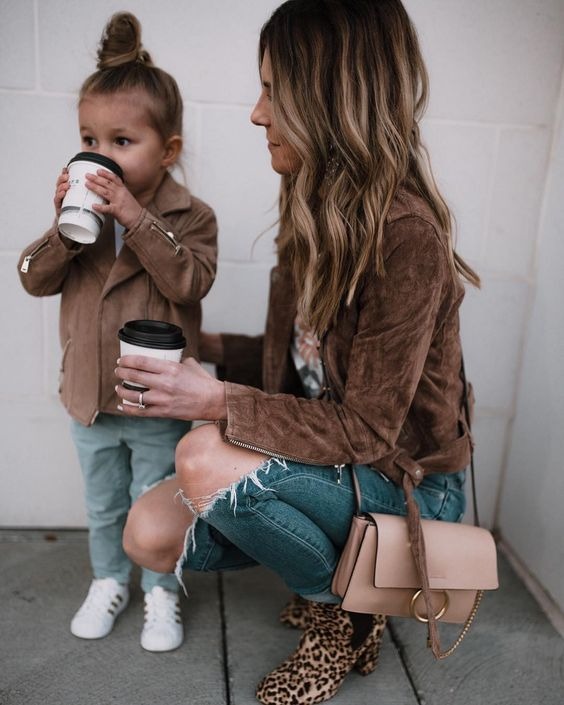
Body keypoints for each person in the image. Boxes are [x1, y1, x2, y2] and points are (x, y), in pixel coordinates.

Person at [116, 0, 479, 702]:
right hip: (330, 469)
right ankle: (335, 584)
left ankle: (341, 614)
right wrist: (199, 347)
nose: (257, 114)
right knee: (148, 531)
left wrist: (216, 400)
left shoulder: (407, 237)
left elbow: (368, 428)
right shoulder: (309, 208)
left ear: (330, 100)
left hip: (407, 487)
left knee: (202, 452)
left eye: (273, 91)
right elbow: (298, 366)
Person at [17, 12, 217, 653]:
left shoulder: (192, 216)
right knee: (103, 504)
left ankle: (161, 590)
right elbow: (31, 278)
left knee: (154, 501)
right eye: (88, 139)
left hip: (156, 401)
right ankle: (109, 580)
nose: (100, 157)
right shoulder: (81, 221)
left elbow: (191, 283)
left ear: (170, 151)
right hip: (89, 397)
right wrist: (63, 229)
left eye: (122, 142)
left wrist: (137, 218)